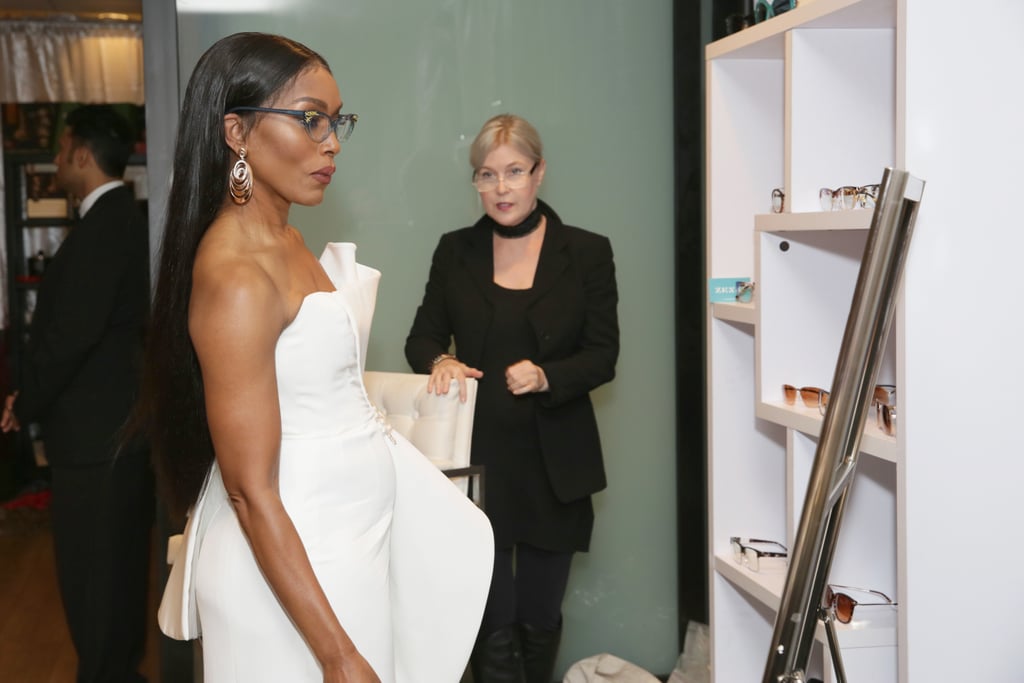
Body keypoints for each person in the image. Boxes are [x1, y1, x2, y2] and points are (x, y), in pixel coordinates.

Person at [133, 32, 493, 683]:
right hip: (289, 559)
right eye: (309, 118)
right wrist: (337, 654)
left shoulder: (287, 239)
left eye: (337, 119)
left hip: (343, 539)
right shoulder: (238, 273)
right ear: (236, 132)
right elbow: (249, 489)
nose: (331, 141)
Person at [405, 113, 620, 683]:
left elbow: (603, 355)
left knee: (540, 616)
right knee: (490, 617)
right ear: (475, 181)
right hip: (478, 466)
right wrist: (440, 360)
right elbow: (422, 336)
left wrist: (548, 376)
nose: (501, 188)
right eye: (486, 175)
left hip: (557, 469)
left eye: (514, 172)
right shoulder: (455, 252)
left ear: (539, 173)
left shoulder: (589, 252)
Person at [1, 105, 153, 682]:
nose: (57, 161)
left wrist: (25, 400)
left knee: (96, 588)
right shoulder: (122, 219)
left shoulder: (104, 225)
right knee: (111, 583)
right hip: (111, 435)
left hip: (98, 440)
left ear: (82, 154)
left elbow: (69, 337)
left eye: (62, 151)